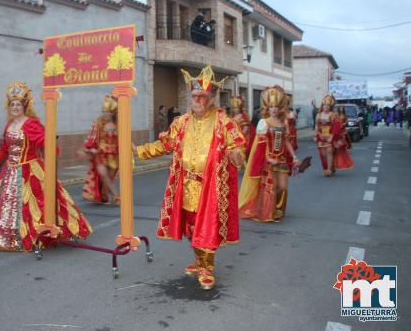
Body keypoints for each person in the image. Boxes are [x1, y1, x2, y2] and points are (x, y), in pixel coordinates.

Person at [132, 65, 246, 290]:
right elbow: (165, 144)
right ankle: (198, 259)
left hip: (210, 186)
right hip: (186, 184)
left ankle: (207, 268)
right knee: (191, 226)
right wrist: (140, 150)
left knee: (208, 226)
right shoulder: (182, 122)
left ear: (211, 98)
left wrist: (236, 155)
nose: (195, 100)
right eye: (193, 96)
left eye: (201, 96)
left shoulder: (224, 123)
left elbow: (239, 145)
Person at [0, 81, 92, 251]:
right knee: (6, 204)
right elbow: (5, 148)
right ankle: (7, 234)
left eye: (18, 104)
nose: (15, 107)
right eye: (12, 104)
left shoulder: (30, 123)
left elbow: (42, 141)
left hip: (30, 170)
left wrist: (51, 144)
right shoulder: (10, 124)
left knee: (37, 203)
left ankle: (39, 233)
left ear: (24, 106)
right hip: (10, 170)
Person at [239, 86, 302, 222]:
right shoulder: (264, 123)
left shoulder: (283, 122)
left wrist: (295, 156)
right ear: (268, 108)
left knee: (282, 187)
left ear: (280, 108)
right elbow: (261, 145)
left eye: (276, 106)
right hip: (268, 160)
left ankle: (278, 209)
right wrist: (268, 158)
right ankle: (268, 212)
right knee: (270, 187)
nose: (274, 109)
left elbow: (286, 141)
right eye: (271, 106)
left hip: (282, 159)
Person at [82, 95, 119, 204]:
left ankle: (104, 196)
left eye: (107, 111)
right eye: (103, 111)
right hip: (100, 155)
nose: (105, 114)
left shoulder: (118, 125)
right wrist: (91, 149)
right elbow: (91, 138)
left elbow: (123, 140)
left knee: (108, 179)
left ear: (112, 112)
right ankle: (117, 196)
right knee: (104, 175)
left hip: (114, 156)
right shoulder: (98, 124)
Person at [314, 95, 354, 177]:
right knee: (323, 154)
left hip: (330, 137)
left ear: (330, 107)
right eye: (325, 105)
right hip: (321, 136)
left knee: (329, 152)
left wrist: (332, 137)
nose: (326, 107)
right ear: (322, 105)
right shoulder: (318, 115)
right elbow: (316, 126)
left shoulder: (333, 115)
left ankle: (329, 170)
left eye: (328, 106)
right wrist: (315, 135)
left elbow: (337, 127)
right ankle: (331, 167)